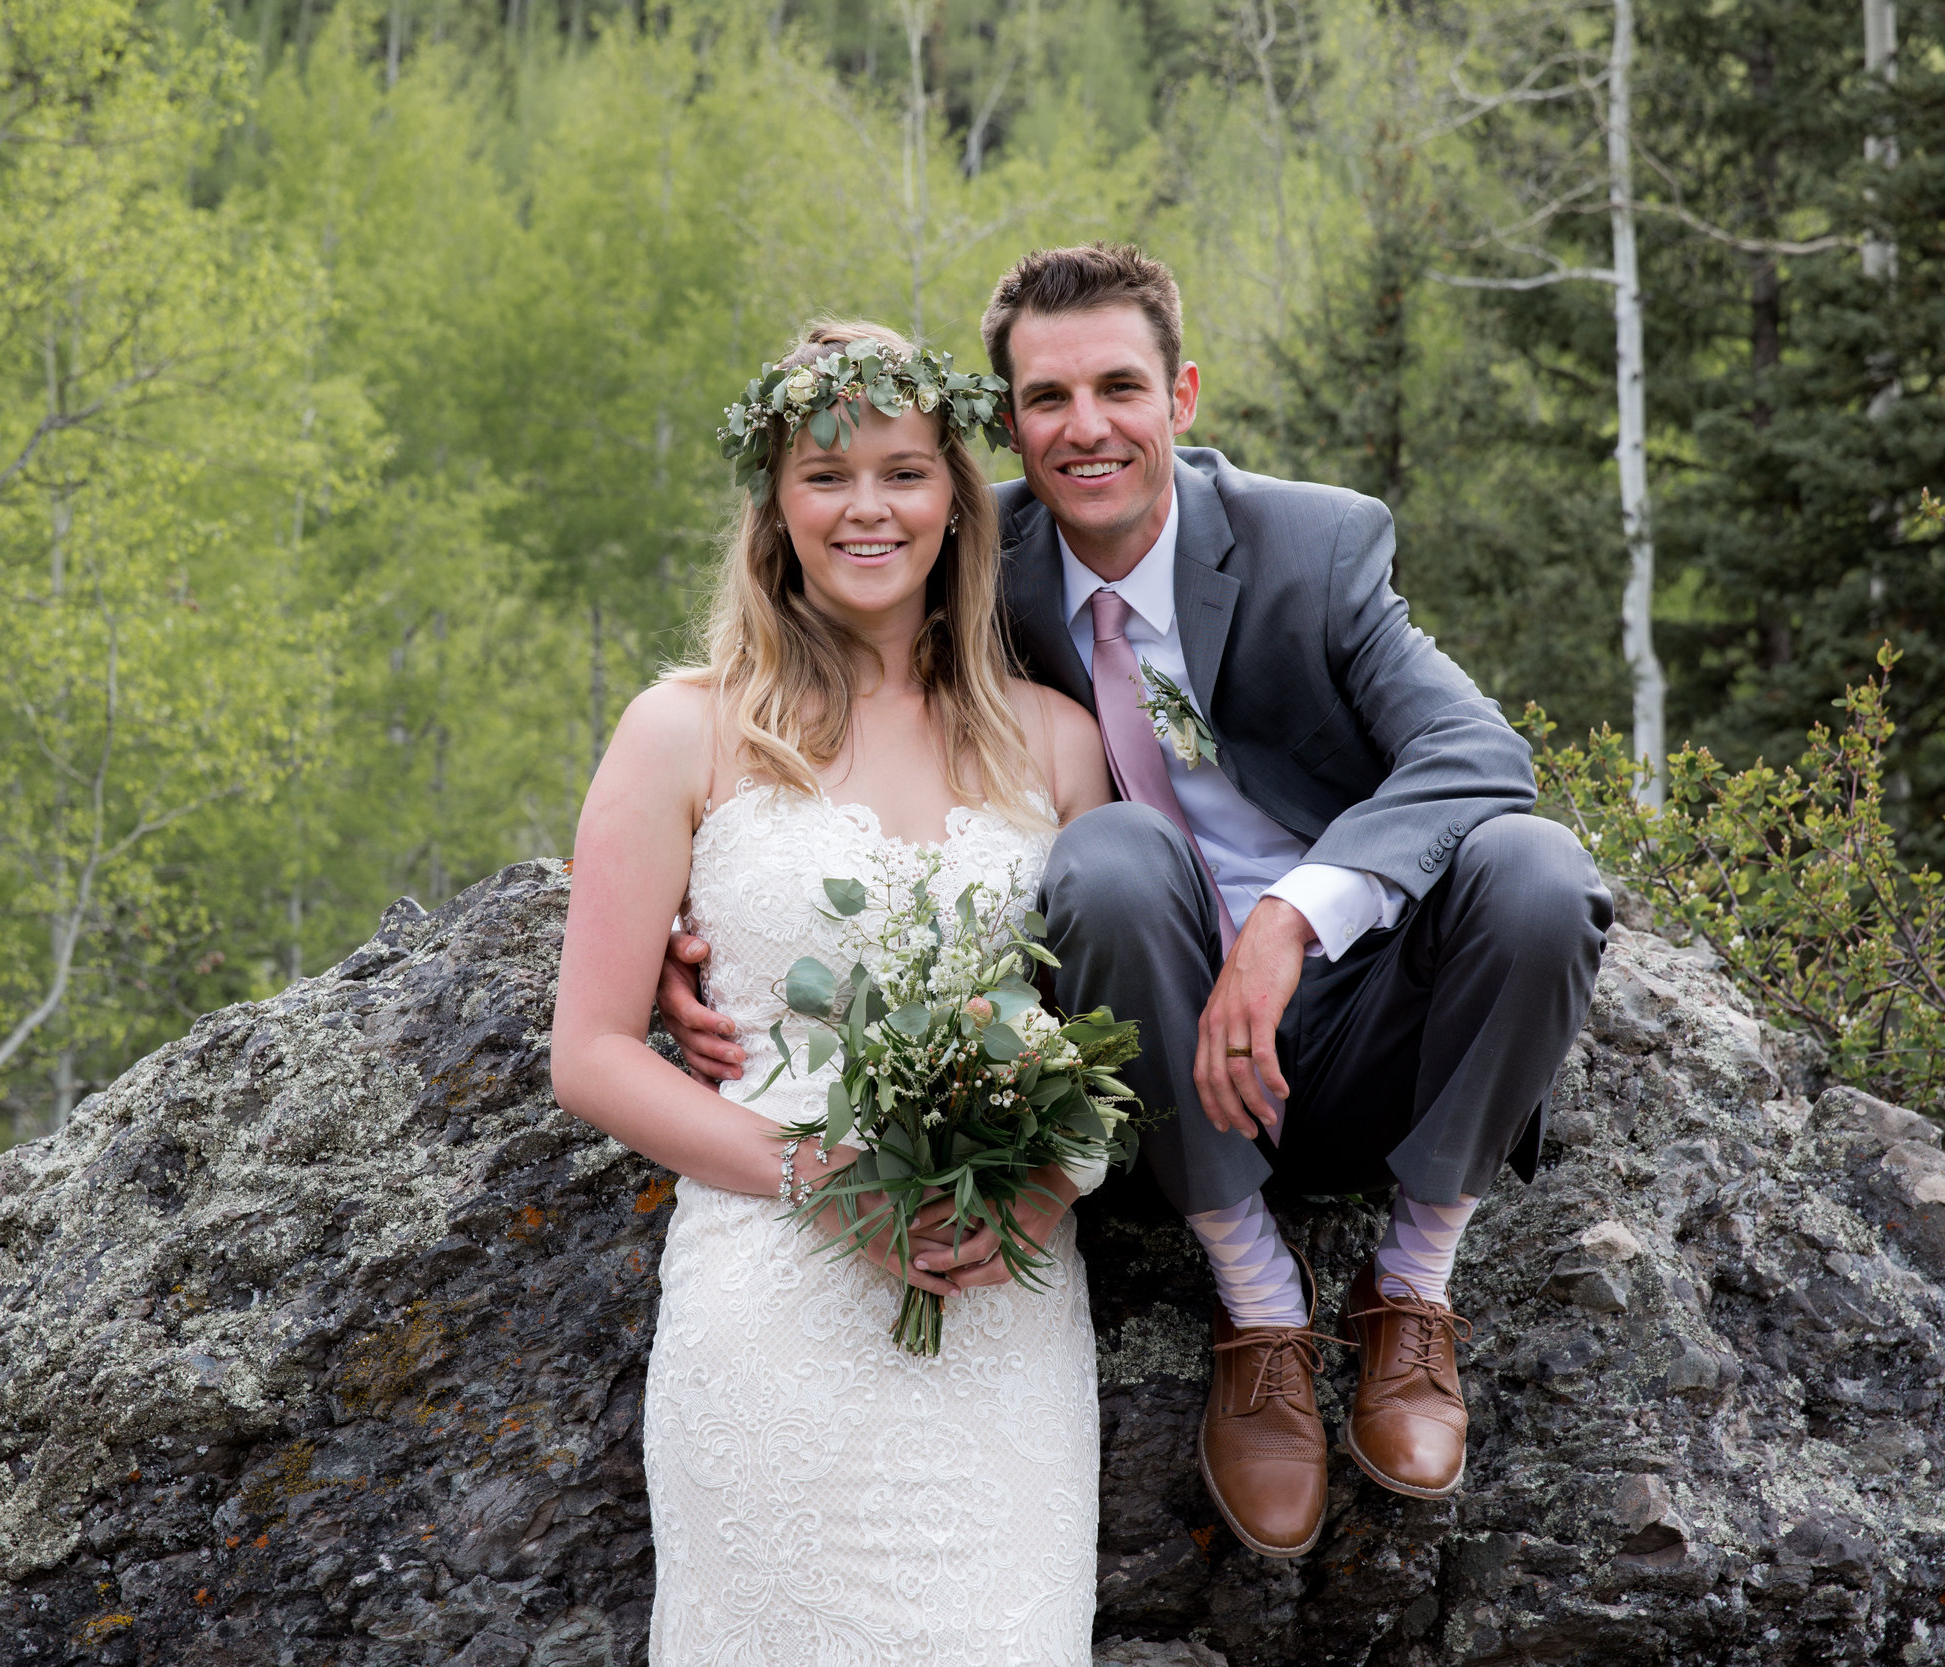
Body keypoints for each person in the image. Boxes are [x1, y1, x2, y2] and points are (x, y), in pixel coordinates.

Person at [660, 247, 1611, 1564]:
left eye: (1120, 386)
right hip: (1149, 1028)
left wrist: (1292, 922)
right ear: (1009, 423)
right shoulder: (971, 560)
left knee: (1538, 870)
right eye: (1047, 398)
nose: (1086, 426)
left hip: (1356, 1011)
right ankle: (1259, 1309)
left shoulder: (1317, 544)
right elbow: (812, 702)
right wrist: (695, 918)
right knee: (1104, 853)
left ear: (1184, 395)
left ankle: (1411, 1293)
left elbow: (1475, 756)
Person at [550, 317, 1116, 1664]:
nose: (869, 507)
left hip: (1003, 1309)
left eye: (906, 471)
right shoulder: (685, 727)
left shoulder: (1058, 739)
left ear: (958, 499)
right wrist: (826, 1178)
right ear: (776, 503)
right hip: (774, 1296)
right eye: (826, 473)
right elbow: (592, 1053)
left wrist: (1041, 1185)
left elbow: (1114, 1030)